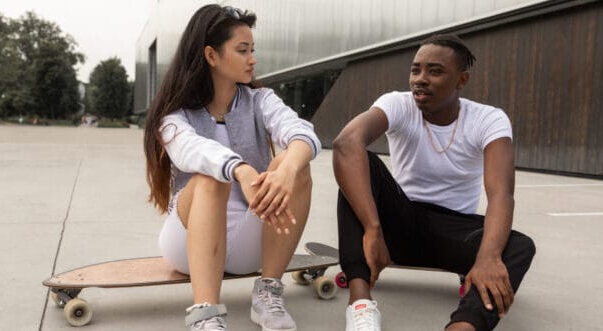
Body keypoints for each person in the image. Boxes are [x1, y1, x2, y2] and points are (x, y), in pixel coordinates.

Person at [332, 34, 536, 331]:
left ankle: (464, 325)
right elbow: (346, 143)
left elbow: (501, 194)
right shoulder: (398, 104)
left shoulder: (488, 119)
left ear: (461, 80)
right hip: (397, 226)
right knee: (358, 165)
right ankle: (361, 305)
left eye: (435, 71)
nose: (421, 79)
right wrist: (374, 228)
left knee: (519, 246)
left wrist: (489, 257)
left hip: (454, 232)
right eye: (416, 70)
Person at [143, 5, 320, 331]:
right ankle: (206, 314)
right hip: (187, 243)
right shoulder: (175, 114)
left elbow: (302, 133)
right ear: (211, 55)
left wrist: (286, 169)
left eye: (252, 50)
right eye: (242, 50)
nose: (252, 59)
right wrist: (240, 169)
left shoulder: (261, 100)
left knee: (298, 166)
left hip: (250, 244)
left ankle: (267, 294)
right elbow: (190, 151)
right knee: (211, 178)